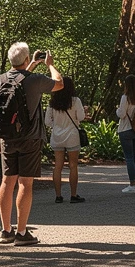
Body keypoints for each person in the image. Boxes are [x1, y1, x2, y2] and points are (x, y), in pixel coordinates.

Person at [0, 43, 63, 246]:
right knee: (25, 183)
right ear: (25, 59)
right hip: (30, 138)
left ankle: (6, 230)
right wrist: (50, 64)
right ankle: (22, 232)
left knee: (7, 181)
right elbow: (59, 84)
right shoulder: (36, 80)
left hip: (7, 137)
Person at [44, 75, 87, 203]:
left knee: (58, 166)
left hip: (57, 137)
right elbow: (81, 117)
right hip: (72, 136)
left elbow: (47, 122)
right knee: (73, 166)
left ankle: (58, 196)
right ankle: (73, 195)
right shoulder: (75, 101)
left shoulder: (52, 103)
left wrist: (56, 126)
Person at [116, 74, 135, 193]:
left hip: (126, 129)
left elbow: (122, 114)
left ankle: (132, 184)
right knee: (134, 156)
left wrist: (117, 110)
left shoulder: (125, 98)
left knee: (129, 157)